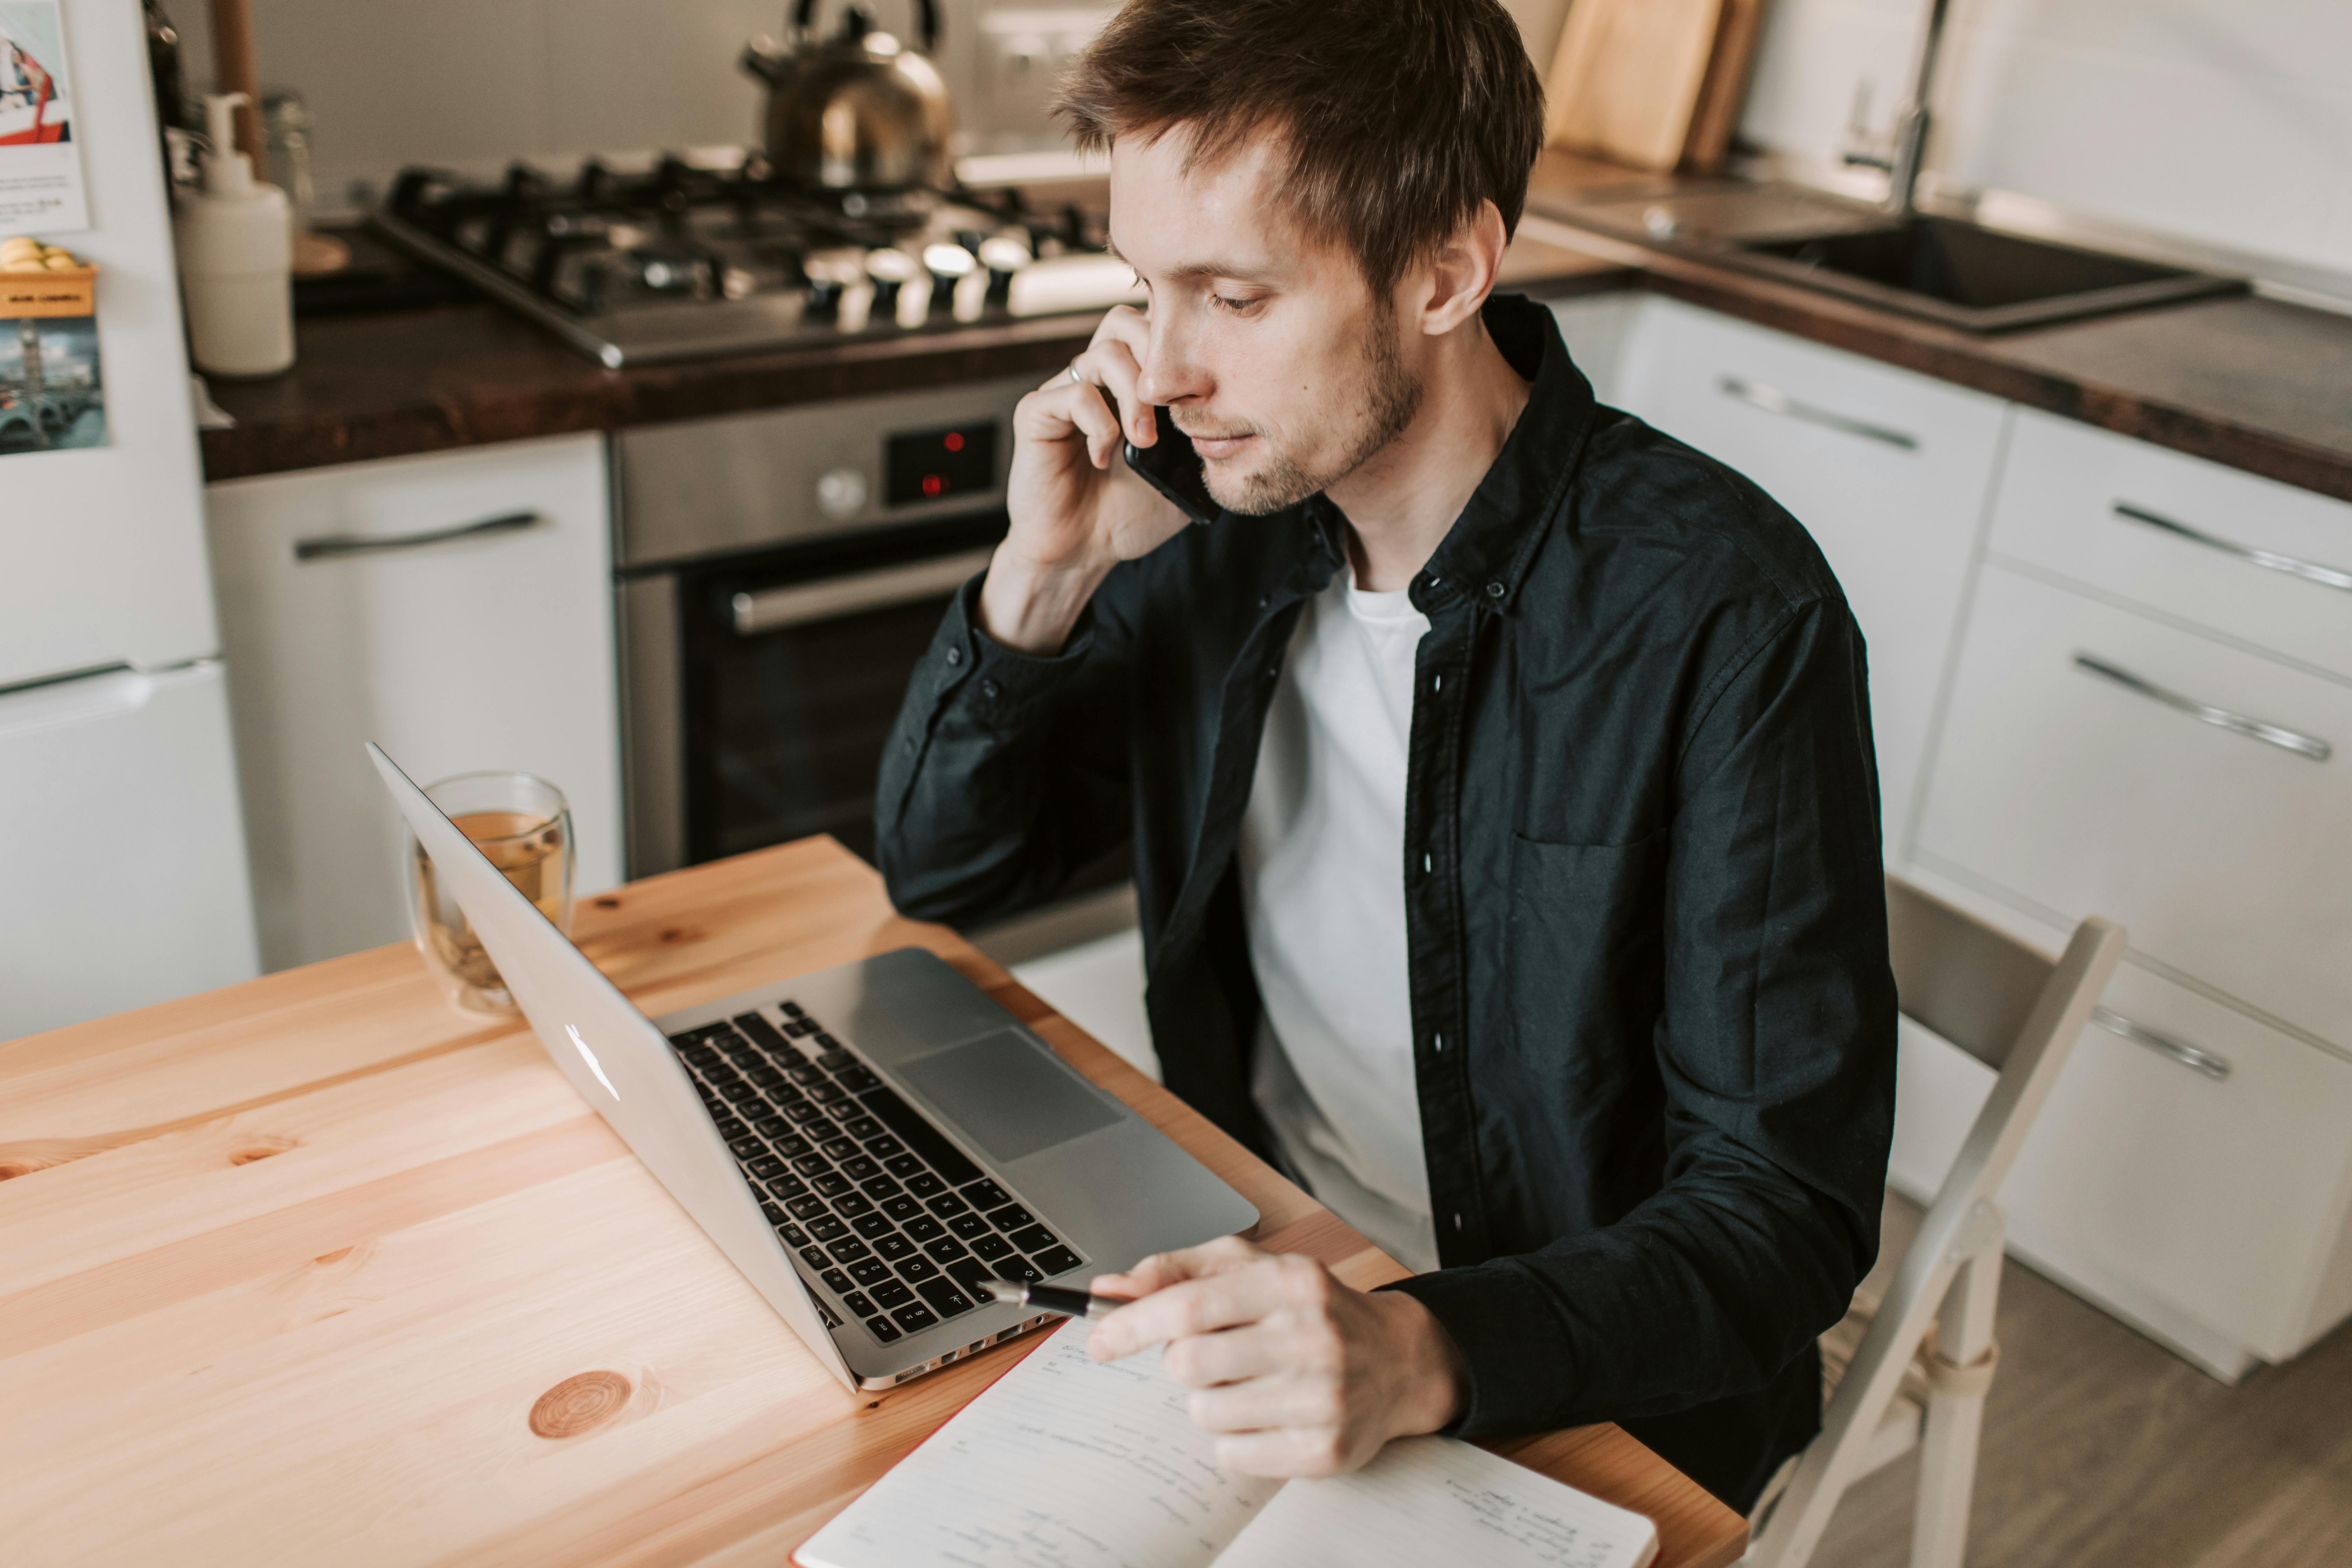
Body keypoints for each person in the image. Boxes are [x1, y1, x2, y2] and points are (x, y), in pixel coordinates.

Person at [875, 0, 1896, 1511]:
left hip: (1577, 1378)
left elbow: (1781, 1217)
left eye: (1232, 297)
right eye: (1146, 289)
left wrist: (1418, 1345)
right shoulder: (1201, 523)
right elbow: (945, 869)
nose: (1161, 371)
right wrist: (1041, 579)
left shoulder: (1728, 613)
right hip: (1257, 1262)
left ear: (1445, 271)